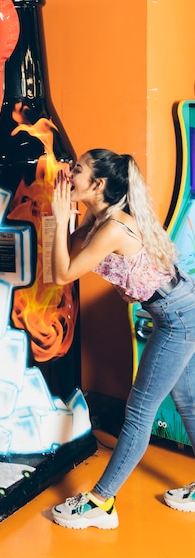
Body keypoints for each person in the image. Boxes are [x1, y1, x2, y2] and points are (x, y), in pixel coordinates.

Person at [49, 148, 195, 529]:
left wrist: (60, 217)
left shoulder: (113, 228)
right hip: (181, 309)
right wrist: (64, 220)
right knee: (189, 403)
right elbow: (70, 251)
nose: (68, 173)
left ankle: (101, 502)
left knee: (138, 412)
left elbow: (64, 275)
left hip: (179, 317)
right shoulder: (101, 219)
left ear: (97, 184)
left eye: (76, 170)